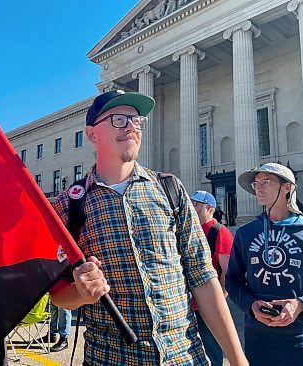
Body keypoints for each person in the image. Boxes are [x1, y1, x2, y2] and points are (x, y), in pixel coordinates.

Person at [50, 90, 247, 365]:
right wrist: (80, 294)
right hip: (111, 358)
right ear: (92, 134)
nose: (131, 126)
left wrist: (238, 360)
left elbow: (203, 278)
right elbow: (57, 293)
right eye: (118, 119)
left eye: (136, 119)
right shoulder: (69, 205)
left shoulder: (170, 189)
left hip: (185, 357)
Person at [226, 163, 303, 366]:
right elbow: (233, 281)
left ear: (287, 187)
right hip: (259, 340)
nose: (259, 188)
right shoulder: (246, 233)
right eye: (256, 183)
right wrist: (251, 305)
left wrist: (300, 305)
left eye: (266, 182)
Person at [190, 190, 233, 366]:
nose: (192, 208)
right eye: (191, 204)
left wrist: (218, 302)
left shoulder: (219, 232)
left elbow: (228, 272)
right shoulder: (191, 231)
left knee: (210, 352)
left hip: (207, 305)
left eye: (196, 204)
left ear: (209, 208)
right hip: (188, 304)